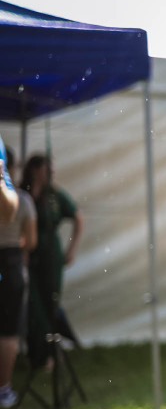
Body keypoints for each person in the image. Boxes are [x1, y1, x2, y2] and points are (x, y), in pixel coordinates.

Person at [21, 154, 82, 370]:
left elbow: (77, 218)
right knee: (33, 305)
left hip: (50, 259)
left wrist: (71, 249)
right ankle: (39, 353)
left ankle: (50, 355)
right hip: (30, 257)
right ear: (36, 171)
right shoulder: (24, 193)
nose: (50, 175)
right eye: (47, 170)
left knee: (50, 304)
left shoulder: (54, 196)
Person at [0, 149, 35, 408]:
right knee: (9, 330)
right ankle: (4, 388)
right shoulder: (23, 200)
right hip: (11, 262)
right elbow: (30, 242)